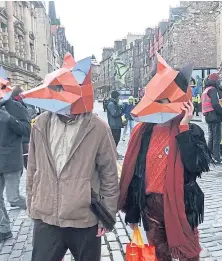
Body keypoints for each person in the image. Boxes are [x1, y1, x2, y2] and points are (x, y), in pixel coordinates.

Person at [118, 53, 213, 261]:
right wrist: (133, 212)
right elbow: (136, 174)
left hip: (181, 206)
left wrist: (184, 127)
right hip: (151, 207)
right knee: (160, 256)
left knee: (188, 255)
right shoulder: (143, 132)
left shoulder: (190, 129)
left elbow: (196, 165)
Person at [25, 54, 119, 261]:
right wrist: (33, 203)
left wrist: (107, 216)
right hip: (46, 218)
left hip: (83, 219)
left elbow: (110, 175)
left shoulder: (97, 128)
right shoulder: (40, 124)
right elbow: (32, 166)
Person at [0, 94, 30, 242]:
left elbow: (26, 130)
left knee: (13, 198)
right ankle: (4, 229)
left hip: (11, 161)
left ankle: (36, 211)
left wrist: (9, 120)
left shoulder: (14, 106)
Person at [201, 73, 222, 164]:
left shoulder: (206, 90)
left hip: (208, 116)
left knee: (211, 137)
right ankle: (216, 157)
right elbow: (215, 104)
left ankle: (209, 157)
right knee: (216, 138)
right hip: (214, 116)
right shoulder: (213, 90)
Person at [11, 86, 30, 172]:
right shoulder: (15, 105)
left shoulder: (22, 103)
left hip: (22, 138)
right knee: (26, 161)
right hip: (22, 138)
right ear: (19, 94)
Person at [107, 90, 123, 159]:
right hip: (114, 125)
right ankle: (113, 155)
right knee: (114, 141)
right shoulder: (111, 104)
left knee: (116, 140)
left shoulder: (114, 103)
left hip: (117, 125)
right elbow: (114, 114)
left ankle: (114, 153)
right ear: (116, 97)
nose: (119, 98)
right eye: (119, 96)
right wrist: (121, 110)